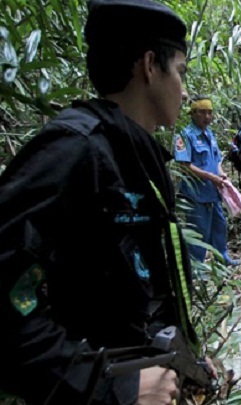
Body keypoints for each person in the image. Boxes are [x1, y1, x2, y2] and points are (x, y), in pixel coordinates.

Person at [0, 1, 215, 403]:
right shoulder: (73, 150)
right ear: (150, 65)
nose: (185, 92)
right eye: (181, 73)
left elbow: (147, 286)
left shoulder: (137, 155)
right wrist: (108, 385)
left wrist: (185, 361)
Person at [174, 95, 241, 266]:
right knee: (198, 231)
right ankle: (197, 267)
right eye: (202, 112)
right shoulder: (185, 135)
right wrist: (211, 177)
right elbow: (184, 166)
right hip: (196, 195)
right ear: (193, 113)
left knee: (219, 227)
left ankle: (221, 259)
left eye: (210, 112)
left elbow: (216, 161)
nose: (207, 116)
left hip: (213, 193)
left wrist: (221, 174)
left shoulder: (209, 135)